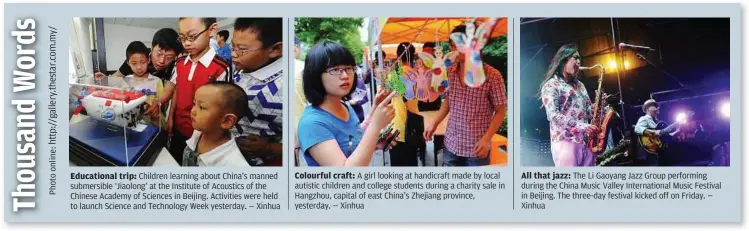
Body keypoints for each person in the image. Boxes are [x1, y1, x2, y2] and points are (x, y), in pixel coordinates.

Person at [297, 41, 396, 167]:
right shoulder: (312, 124)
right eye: (335, 70)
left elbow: (354, 140)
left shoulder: (345, 106)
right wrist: (375, 126)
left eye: (348, 68)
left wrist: (375, 140)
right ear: (315, 75)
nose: (345, 76)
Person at [424, 24, 507, 167]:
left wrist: (487, 139)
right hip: (452, 144)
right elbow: (448, 100)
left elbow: (500, 110)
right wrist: (434, 123)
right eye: (453, 45)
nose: (455, 49)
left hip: (476, 149)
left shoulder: (493, 76)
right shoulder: (449, 72)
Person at [167, 17, 231, 162]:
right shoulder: (180, 62)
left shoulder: (221, 68)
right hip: (178, 128)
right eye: (182, 38)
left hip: (202, 135)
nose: (187, 43)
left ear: (212, 30)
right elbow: (175, 90)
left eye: (192, 36)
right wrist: (170, 117)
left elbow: (221, 108)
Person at [229, 18, 284, 166]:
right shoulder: (242, 64)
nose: (234, 54)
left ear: (275, 49)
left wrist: (269, 148)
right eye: (232, 46)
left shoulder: (285, 87)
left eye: (242, 49)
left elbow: (304, 141)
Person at [537, 44, 597, 167]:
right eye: (575, 58)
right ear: (564, 59)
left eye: (580, 59)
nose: (579, 62)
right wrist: (582, 126)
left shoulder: (580, 85)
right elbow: (553, 116)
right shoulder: (551, 85)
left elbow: (588, 111)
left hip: (586, 142)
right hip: (565, 142)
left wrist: (599, 108)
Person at [182, 82, 250, 167]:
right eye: (194, 104)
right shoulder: (199, 132)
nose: (193, 111)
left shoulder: (234, 165)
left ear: (227, 121)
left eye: (202, 107)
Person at [96, 28, 183, 82]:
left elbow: (168, 90)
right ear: (152, 48)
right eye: (159, 54)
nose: (161, 61)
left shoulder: (173, 66)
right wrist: (106, 80)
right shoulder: (138, 56)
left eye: (169, 57)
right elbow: (118, 76)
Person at [388, 42, 424, 166]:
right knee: (411, 163)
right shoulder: (417, 75)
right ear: (413, 56)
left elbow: (385, 98)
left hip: (396, 127)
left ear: (398, 56)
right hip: (412, 126)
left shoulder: (392, 76)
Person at [120, 41, 164, 126]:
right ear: (128, 63)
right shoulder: (126, 80)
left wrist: (155, 107)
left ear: (148, 60)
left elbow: (162, 106)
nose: (139, 67)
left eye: (142, 62)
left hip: (152, 123)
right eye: (134, 63)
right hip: (132, 123)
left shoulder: (156, 81)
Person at [634, 99, 680, 166]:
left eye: (656, 106)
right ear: (647, 108)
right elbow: (637, 128)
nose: (656, 108)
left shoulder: (658, 122)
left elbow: (665, 135)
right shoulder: (644, 118)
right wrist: (653, 132)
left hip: (661, 152)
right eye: (654, 106)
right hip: (650, 153)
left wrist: (677, 131)